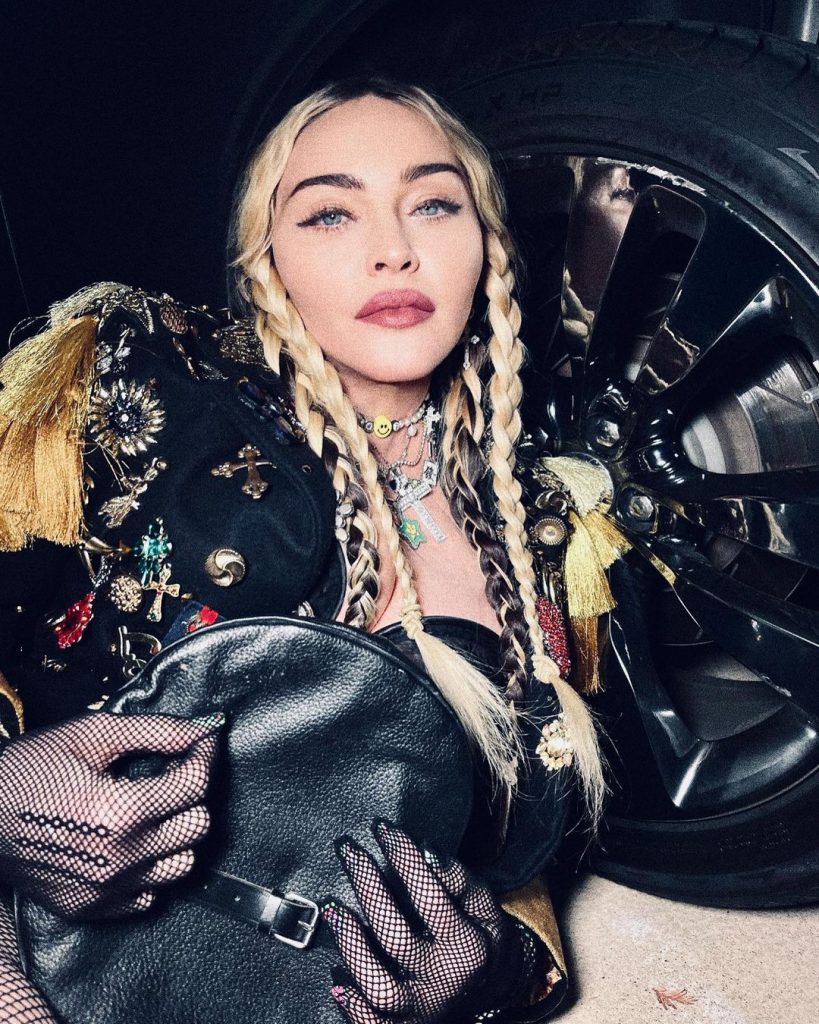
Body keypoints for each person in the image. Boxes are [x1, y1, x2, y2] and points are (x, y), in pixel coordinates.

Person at [0, 77, 608, 1022]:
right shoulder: (139, 392)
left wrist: (490, 968)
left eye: (434, 204)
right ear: (265, 262)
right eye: (329, 213)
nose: (393, 249)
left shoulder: (548, 528)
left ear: (488, 245)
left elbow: (525, 854)